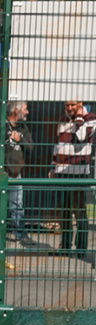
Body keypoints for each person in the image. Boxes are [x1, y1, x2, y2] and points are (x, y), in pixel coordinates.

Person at [0, 101, 34, 245]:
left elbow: (30, 148)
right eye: (25, 109)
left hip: (15, 175)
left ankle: (20, 235)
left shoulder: (23, 129)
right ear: (16, 111)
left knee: (17, 205)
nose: (27, 112)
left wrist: (20, 139)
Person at [51, 100, 95, 254]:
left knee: (79, 210)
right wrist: (53, 165)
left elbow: (81, 138)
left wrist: (79, 121)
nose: (69, 108)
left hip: (79, 173)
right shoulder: (62, 120)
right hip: (62, 171)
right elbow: (57, 144)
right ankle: (65, 246)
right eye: (67, 105)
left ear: (80, 103)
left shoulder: (91, 119)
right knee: (64, 210)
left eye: (73, 105)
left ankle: (81, 248)